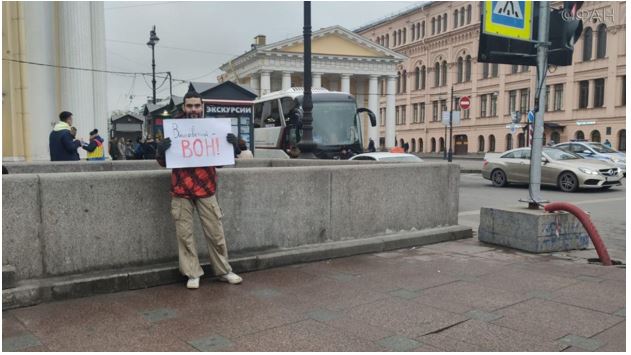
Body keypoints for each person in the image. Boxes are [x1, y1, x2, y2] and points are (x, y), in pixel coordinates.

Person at [155, 87, 243, 290]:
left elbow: (221, 161)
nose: (193, 109)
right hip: (181, 190)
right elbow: (162, 162)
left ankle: (223, 270)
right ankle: (192, 273)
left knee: (216, 233)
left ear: (202, 106)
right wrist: (161, 151)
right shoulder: (173, 128)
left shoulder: (213, 126)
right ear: (184, 107)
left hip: (206, 188)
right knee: (184, 234)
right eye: (189, 105)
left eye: (196, 105)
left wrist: (233, 146)